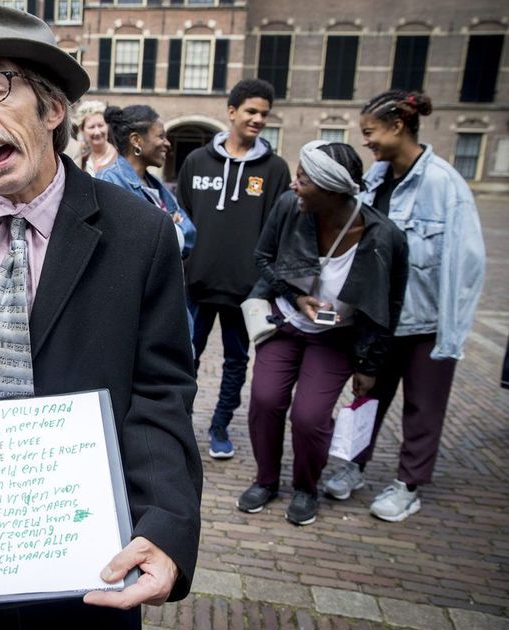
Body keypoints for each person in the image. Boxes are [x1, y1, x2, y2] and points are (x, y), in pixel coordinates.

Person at [0, 6, 201, 630]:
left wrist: (165, 521)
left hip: (88, 566)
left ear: (54, 110)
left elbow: (161, 392)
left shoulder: (141, 235)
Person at [323, 90, 486, 522]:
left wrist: (450, 334)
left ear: (398, 126)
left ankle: (409, 484)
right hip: (380, 318)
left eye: (370, 133)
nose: (367, 143)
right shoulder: (374, 181)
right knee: (366, 393)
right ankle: (354, 465)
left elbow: (465, 265)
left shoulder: (444, 185)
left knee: (422, 406)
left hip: (424, 321)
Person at [236, 141, 409, 526]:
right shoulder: (288, 208)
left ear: (331, 189)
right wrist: (297, 298)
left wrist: (370, 364)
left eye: (303, 180)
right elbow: (263, 259)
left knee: (311, 417)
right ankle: (266, 481)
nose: (294, 186)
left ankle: (304, 488)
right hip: (285, 323)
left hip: (336, 337)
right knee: (265, 400)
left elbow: (389, 307)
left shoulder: (384, 238)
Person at [176, 78, 291, 460]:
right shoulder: (196, 162)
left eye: (263, 114)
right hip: (197, 283)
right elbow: (183, 221)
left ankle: (220, 425)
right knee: (185, 356)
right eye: (251, 111)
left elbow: (277, 232)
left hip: (246, 289)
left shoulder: (275, 170)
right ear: (231, 112)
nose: (258, 119)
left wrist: (265, 284)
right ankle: (180, 424)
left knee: (236, 361)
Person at [97, 104, 196, 257]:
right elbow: (129, 245)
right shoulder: (109, 181)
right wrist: (170, 226)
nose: (167, 144)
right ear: (136, 140)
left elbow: (190, 236)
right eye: (161, 136)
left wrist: (161, 230)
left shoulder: (156, 185)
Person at [73, 100, 116, 176]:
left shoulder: (118, 157)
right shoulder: (82, 159)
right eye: (91, 127)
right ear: (82, 130)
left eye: (100, 125)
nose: (97, 132)